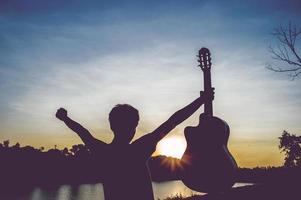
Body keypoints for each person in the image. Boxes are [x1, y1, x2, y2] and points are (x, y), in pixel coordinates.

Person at [55, 89, 214, 200]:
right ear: (134, 128)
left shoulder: (102, 151)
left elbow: (81, 131)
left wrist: (65, 118)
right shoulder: (140, 149)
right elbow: (173, 121)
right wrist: (201, 100)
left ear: (111, 126)